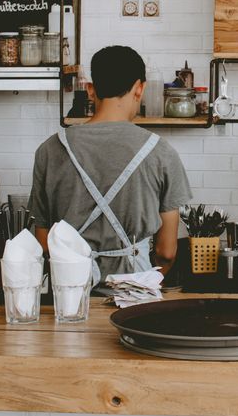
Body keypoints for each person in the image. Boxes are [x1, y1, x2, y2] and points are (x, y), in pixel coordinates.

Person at [30, 45, 191, 279]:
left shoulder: (50, 149)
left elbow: (44, 243)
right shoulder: (161, 152)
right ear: (139, 89)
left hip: (71, 296)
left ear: (91, 90)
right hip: (135, 297)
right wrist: (143, 279)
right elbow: (166, 252)